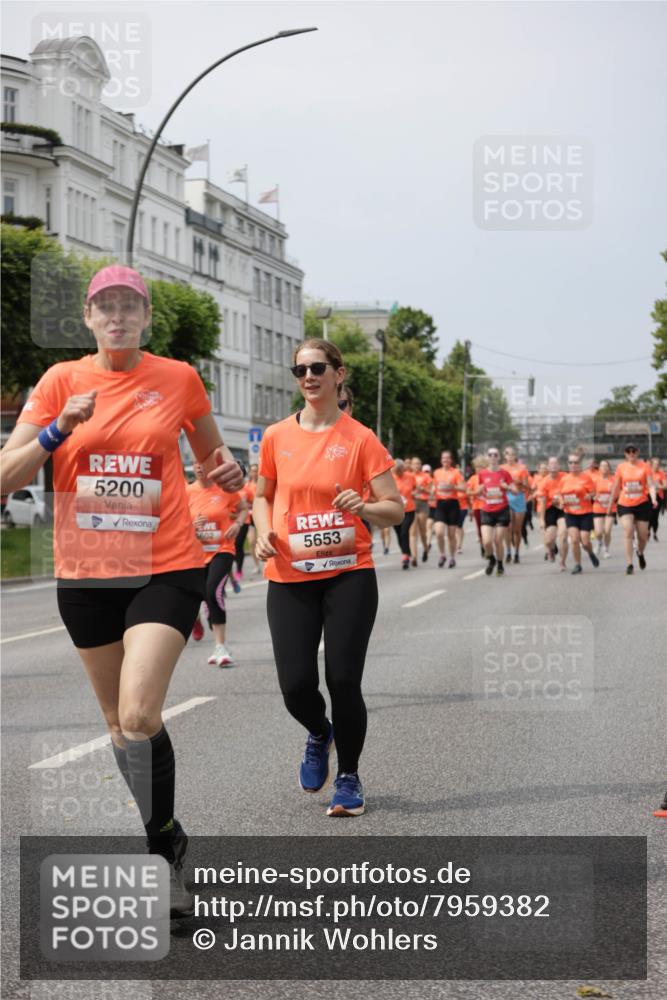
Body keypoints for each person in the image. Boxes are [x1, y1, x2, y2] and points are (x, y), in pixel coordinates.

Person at [0, 264, 245, 916]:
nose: (117, 316)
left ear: (145, 318)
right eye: (104, 306)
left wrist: (229, 472)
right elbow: (4, 476)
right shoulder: (60, 381)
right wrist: (56, 430)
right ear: (87, 318)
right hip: (86, 577)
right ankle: (166, 833)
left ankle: (161, 859)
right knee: (117, 728)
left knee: (138, 716)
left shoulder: (178, 379)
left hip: (165, 566)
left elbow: (216, 464)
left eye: (128, 306)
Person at [253, 339, 403, 817]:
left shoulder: (361, 438)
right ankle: (320, 732)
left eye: (318, 368)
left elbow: (395, 509)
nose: (308, 377)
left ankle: (349, 778)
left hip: (348, 575)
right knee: (295, 684)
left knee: (343, 679)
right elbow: (262, 495)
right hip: (288, 573)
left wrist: (366, 507)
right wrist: (262, 531)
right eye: (299, 370)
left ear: (339, 374)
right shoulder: (276, 436)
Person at [187, 463, 246, 666]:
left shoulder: (224, 489)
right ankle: (196, 618)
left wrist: (237, 524)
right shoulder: (186, 492)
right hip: (195, 554)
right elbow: (174, 521)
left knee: (214, 591)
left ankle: (220, 646)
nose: (199, 467)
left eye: (202, 463)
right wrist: (190, 525)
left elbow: (243, 509)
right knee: (196, 596)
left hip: (222, 549)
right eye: (195, 463)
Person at [607, 443, 658, 574]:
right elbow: (616, 487)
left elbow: (651, 485)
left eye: (633, 451)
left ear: (637, 452)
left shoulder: (645, 466)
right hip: (625, 504)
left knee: (643, 536)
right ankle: (629, 564)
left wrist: (653, 498)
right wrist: (610, 504)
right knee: (628, 530)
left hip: (642, 504)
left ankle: (640, 553)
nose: (631, 453)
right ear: (625, 454)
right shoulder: (621, 467)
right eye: (628, 451)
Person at [555, 453, 599, 574]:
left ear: (580, 464)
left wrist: (589, 495)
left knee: (585, 542)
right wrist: (561, 501)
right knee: (574, 540)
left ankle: (590, 552)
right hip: (570, 513)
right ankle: (577, 564)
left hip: (585, 513)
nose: (573, 465)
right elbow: (559, 494)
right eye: (570, 462)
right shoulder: (564, 479)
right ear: (568, 464)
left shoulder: (586, 478)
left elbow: (594, 493)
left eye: (576, 462)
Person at [476, 447, 515, 576]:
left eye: (495, 455)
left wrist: (507, 487)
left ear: (499, 457)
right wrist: (479, 491)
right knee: (487, 541)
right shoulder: (482, 474)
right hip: (487, 510)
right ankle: (492, 559)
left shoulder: (505, 474)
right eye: (490, 454)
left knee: (498, 541)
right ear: (487, 457)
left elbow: (515, 491)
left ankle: (500, 564)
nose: (492, 457)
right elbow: (478, 491)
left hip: (502, 510)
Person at [432, 450, 465, 568]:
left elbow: (463, 488)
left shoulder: (456, 473)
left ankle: (452, 557)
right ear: (441, 460)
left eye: (447, 458)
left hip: (453, 504)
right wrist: (431, 493)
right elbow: (434, 487)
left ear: (451, 460)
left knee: (451, 534)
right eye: (443, 458)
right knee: (439, 532)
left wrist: (452, 487)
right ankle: (442, 554)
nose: (445, 460)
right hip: (440, 504)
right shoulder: (437, 472)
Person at [537, 457, 569, 570]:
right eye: (551, 464)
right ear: (548, 467)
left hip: (563, 509)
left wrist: (563, 501)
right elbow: (543, 502)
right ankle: (551, 549)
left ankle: (562, 562)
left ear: (559, 466)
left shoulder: (565, 477)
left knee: (563, 536)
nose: (553, 466)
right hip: (550, 510)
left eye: (556, 463)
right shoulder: (544, 482)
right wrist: (541, 519)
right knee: (548, 540)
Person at [502, 446, 530, 563]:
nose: (510, 456)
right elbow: (499, 484)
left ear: (515, 455)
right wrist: (507, 486)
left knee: (517, 529)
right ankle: (508, 552)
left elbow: (527, 487)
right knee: (508, 527)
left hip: (519, 498)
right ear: (505, 456)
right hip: (506, 498)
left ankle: (517, 552)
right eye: (508, 454)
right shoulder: (501, 468)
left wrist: (520, 484)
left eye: (512, 454)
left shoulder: (522, 468)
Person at [236, 463, 260, 576]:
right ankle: (257, 565)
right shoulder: (247, 486)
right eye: (252, 471)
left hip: (260, 515)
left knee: (262, 540)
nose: (254, 473)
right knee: (251, 542)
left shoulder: (262, 484)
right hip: (249, 517)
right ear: (249, 472)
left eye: (256, 471)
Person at [392, 459, 417, 569]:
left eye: (400, 470)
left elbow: (415, 488)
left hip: (409, 509)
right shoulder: (390, 478)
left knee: (404, 531)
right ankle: (405, 551)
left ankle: (405, 556)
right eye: (396, 471)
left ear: (403, 469)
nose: (398, 473)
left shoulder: (410, 476)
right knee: (399, 534)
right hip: (395, 510)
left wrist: (414, 493)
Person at [592, 459, 616, 558]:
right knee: (598, 532)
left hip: (611, 508)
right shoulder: (595, 480)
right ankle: (599, 542)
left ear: (609, 468)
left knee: (607, 530)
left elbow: (617, 494)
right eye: (602, 466)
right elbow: (591, 493)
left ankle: (606, 549)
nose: (604, 468)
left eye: (606, 466)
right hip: (598, 507)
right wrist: (594, 497)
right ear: (599, 468)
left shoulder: (614, 480)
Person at [411, 456, 432, 563]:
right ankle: (414, 557)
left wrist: (422, 489)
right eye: (414, 463)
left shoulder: (426, 476)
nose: (416, 465)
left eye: (418, 463)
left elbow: (431, 491)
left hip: (423, 503)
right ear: (411, 465)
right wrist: (413, 492)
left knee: (422, 530)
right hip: (412, 504)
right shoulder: (408, 476)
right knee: (413, 531)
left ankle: (425, 549)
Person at [466, 455, 487, 558]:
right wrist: (476, 492)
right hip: (477, 507)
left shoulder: (489, 477)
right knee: (480, 529)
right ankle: (483, 546)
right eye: (477, 467)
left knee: (489, 528)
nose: (478, 469)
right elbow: (467, 492)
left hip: (489, 507)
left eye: (481, 467)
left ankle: (488, 546)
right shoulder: (473, 479)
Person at [648, 456, 665, 541]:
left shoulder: (661, 474)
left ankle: (654, 533)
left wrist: (658, 486)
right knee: (649, 515)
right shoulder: (648, 473)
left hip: (658, 497)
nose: (656, 465)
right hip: (649, 496)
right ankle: (648, 531)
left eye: (658, 464)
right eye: (655, 464)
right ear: (651, 464)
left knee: (655, 516)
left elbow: (665, 486)